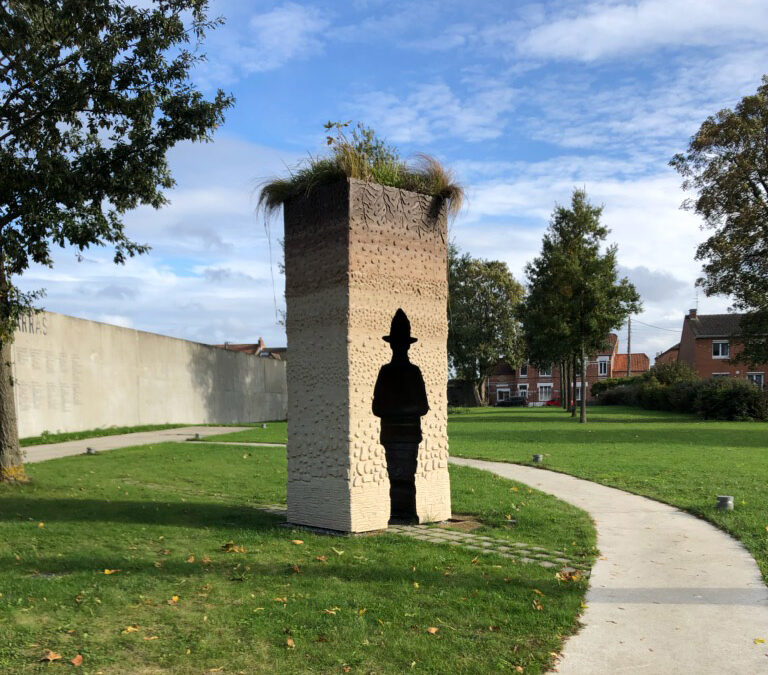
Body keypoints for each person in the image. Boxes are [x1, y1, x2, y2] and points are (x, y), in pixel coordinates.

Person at [372, 309, 429, 521]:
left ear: (406, 345)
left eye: (402, 343)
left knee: (407, 477)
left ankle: (407, 515)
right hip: (393, 435)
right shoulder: (385, 372)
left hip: (407, 436)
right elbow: (376, 408)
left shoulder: (414, 372)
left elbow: (423, 406)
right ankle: (397, 514)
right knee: (395, 478)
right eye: (397, 343)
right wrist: (404, 409)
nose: (399, 346)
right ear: (392, 345)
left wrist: (395, 409)